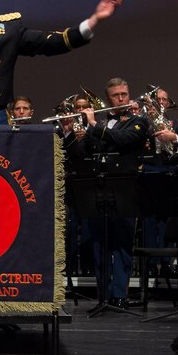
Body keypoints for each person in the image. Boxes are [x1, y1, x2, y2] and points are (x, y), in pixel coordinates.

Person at [68, 77, 147, 310]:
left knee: (122, 243)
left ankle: (119, 294)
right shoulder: (101, 123)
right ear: (108, 98)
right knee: (99, 243)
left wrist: (94, 126)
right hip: (99, 189)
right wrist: (73, 132)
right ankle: (103, 294)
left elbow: (123, 141)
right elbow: (82, 153)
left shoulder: (138, 122)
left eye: (124, 94)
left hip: (125, 190)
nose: (121, 99)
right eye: (116, 96)